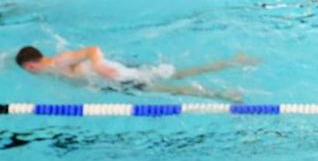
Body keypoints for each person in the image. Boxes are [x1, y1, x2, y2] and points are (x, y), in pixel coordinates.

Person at [14, 44, 256, 102]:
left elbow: (92, 49)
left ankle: (226, 96)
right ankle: (233, 62)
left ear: (30, 66)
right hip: (121, 76)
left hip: (123, 79)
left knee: (175, 90)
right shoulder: (54, 65)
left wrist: (98, 66)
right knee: (178, 76)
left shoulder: (59, 61)